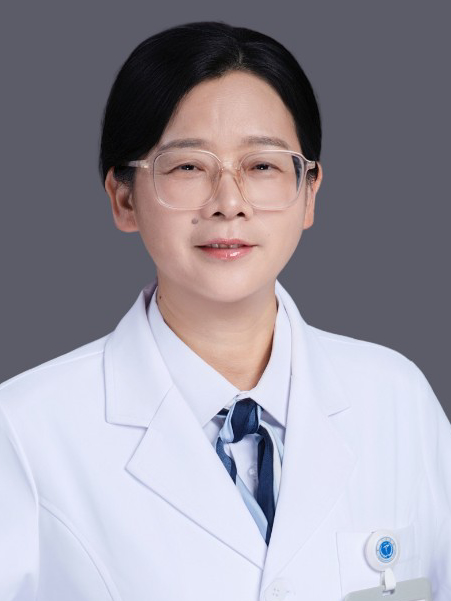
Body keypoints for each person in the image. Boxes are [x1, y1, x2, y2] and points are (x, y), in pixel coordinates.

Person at [0, 20, 449, 601]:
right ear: (124, 197)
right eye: (188, 167)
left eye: (262, 165)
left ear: (309, 192)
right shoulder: (24, 432)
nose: (229, 203)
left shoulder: (397, 400)